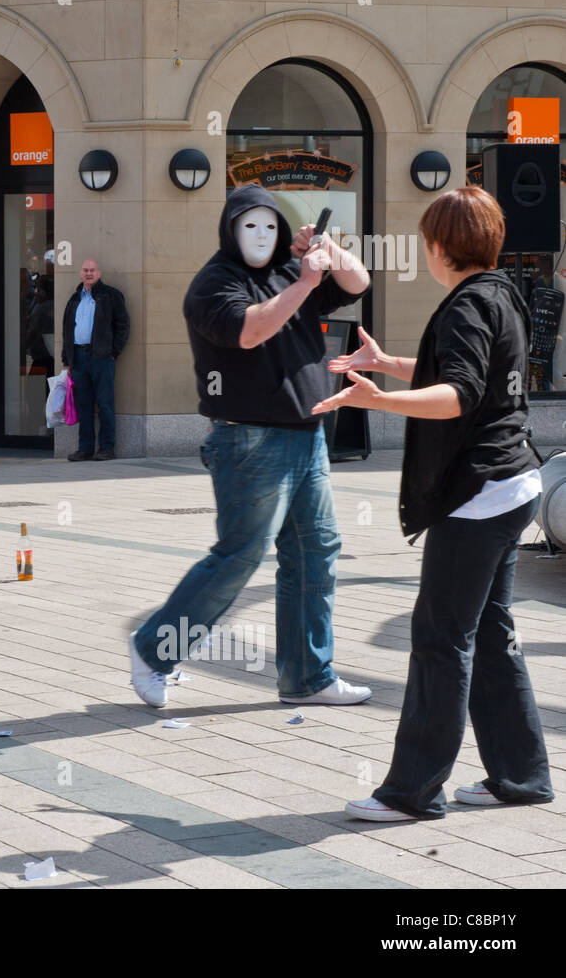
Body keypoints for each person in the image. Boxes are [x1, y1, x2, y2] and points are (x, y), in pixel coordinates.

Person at [309, 188, 554, 821]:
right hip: (516, 485)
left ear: (440, 246)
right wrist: (390, 364)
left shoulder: (468, 305)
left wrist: (379, 401)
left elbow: (460, 394)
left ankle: (412, 792)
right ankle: (520, 777)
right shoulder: (502, 293)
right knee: (491, 633)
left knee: (441, 639)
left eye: (425, 240)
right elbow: (469, 373)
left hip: (479, 493)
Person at [128, 185, 372, 709]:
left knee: (315, 552)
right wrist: (306, 282)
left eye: (270, 226)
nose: (261, 235)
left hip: (308, 435)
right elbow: (250, 331)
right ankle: (153, 650)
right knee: (240, 555)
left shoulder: (292, 270)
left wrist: (329, 252)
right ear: (230, 230)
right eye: (250, 226)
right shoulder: (214, 284)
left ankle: (308, 677)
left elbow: (358, 283)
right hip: (248, 437)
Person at [61, 259, 129, 461]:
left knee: (105, 403)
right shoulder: (74, 299)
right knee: (83, 405)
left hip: (101, 357)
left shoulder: (110, 295)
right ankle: (85, 448)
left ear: (98, 273)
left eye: (92, 270)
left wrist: (114, 351)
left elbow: (123, 324)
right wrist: (67, 360)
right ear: (81, 273)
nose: (89, 273)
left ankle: (107, 448)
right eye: (85, 270)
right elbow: (66, 331)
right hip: (79, 358)